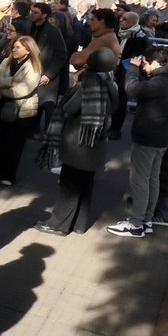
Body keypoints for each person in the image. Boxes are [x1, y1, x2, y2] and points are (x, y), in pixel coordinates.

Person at [107, 46, 168, 237]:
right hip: (163, 136)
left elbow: (131, 89)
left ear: (154, 62)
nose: (143, 67)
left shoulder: (161, 82)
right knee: (152, 179)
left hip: (148, 136)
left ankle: (136, 223)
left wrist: (132, 69)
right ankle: (146, 220)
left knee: (140, 181)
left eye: (144, 63)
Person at [36, 49, 120, 236]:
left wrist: (75, 86)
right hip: (96, 142)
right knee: (85, 186)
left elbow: (69, 107)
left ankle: (58, 224)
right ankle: (79, 224)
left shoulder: (88, 84)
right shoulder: (111, 83)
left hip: (77, 142)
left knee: (69, 186)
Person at [0, 34, 42, 185]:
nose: (14, 49)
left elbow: (24, 90)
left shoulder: (33, 66)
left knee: (14, 144)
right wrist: (11, 81)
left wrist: (3, 86)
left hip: (21, 111)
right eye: (13, 47)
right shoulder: (6, 62)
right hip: (2, 105)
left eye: (18, 47)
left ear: (28, 50)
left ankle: (8, 175)